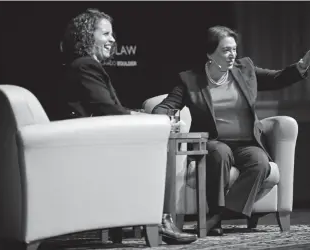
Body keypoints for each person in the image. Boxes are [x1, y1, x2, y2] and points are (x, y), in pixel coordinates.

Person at [152, 25, 310, 236]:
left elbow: (277, 78)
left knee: (261, 163)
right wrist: (164, 118)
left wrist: (300, 67)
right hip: (213, 143)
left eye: (234, 49)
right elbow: (166, 106)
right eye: (226, 50)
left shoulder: (245, 70)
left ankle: (218, 216)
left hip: (246, 143)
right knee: (220, 152)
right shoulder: (191, 80)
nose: (232, 54)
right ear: (209, 53)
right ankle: (215, 214)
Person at [59, 8, 198, 245]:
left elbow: (110, 108)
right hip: (92, 147)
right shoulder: (85, 66)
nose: (113, 39)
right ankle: (161, 220)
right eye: (106, 34)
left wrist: (140, 115)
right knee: (158, 150)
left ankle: (159, 219)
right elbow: (108, 110)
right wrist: (150, 120)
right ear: (87, 36)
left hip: (94, 141)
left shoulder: (85, 66)